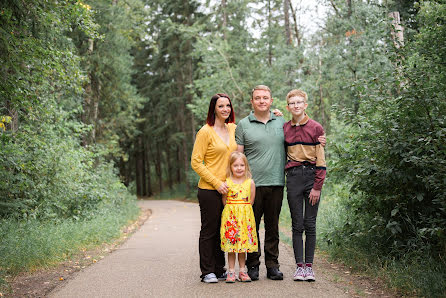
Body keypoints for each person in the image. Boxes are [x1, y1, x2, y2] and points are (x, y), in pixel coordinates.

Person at [236, 85, 326, 281]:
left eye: (265, 98)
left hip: (277, 181)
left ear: (271, 101)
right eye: (257, 98)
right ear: (252, 102)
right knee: (251, 226)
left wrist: (320, 140)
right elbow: (238, 155)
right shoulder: (243, 124)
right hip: (251, 184)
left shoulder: (281, 122)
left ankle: (272, 266)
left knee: (272, 226)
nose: (261, 101)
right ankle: (252, 265)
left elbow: (303, 137)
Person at [191, 93, 237, 283]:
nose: (225, 109)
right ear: (214, 109)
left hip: (230, 189)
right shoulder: (205, 131)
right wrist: (216, 183)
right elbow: (196, 162)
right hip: (210, 190)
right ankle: (207, 271)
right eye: (221, 106)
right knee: (209, 230)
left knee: (223, 229)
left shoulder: (234, 128)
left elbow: (255, 125)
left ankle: (219, 269)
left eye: (228, 105)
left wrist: (276, 115)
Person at [283, 89, 326, 282]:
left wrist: (317, 186)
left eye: (300, 102)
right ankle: (299, 267)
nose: (296, 105)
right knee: (297, 224)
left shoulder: (316, 128)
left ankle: (309, 267)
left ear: (305, 105)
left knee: (310, 223)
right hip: (293, 178)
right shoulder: (284, 128)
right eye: (292, 103)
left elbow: (321, 160)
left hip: (311, 177)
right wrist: (276, 115)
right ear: (288, 107)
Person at [220, 151, 258, 283]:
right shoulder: (227, 182)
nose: (239, 168)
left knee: (242, 247)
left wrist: (242, 212)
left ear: (246, 166)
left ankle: (242, 271)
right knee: (231, 246)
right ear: (230, 167)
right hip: (231, 219)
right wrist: (233, 213)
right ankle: (231, 272)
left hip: (245, 218)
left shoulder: (250, 183)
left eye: (242, 165)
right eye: (235, 165)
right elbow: (224, 201)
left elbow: (251, 202)